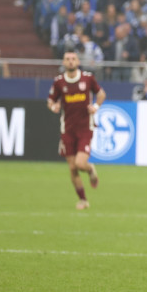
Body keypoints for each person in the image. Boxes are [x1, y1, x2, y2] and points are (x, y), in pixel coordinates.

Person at [47, 50, 106, 209]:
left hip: (85, 128)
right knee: (72, 168)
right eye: (67, 59)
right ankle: (83, 200)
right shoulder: (59, 82)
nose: (71, 61)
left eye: (73, 58)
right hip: (67, 129)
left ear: (78, 61)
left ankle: (90, 168)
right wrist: (54, 106)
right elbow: (50, 101)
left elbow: (101, 94)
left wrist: (95, 106)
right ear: (64, 62)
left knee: (80, 164)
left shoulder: (87, 78)